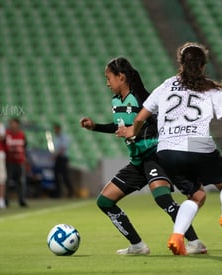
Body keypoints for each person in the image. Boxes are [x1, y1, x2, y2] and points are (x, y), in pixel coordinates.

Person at [117, 42, 222, 255]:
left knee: (196, 196)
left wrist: (132, 130)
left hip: (166, 149)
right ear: (203, 65)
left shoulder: (166, 85)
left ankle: (177, 235)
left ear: (181, 63)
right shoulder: (211, 88)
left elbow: (141, 115)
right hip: (196, 143)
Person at [80, 57, 206, 255]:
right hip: (138, 161)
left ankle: (195, 242)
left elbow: (161, 124)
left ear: (121, 77)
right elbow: (122, 127)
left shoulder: (141, 99)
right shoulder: (116, 101)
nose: (107, 82)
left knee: (163, 199)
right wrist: (95, 126)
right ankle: (138, 246)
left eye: (108, 78)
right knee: (104, 201)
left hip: (154, 156)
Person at [5, 118, 28, 207]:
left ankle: (22, 200)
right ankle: (6, 200)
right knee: (7, 181)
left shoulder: (22, 134)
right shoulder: (7, 134)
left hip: (20, 161)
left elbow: (24, 146)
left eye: (14, 124)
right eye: (11, 124)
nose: (12, 126)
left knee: (21, 181)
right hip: (9, 161)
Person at [52, 123, 74, 198]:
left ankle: (71, 191)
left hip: (63, 158)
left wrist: (55, 155)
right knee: (56, 175)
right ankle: (58, 193)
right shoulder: (55, 138)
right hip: (58, 159)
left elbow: (63, 148)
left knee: (65, 176)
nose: (55, 130)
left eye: (56, 129)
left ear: (59, 129)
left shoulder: (64, 137)